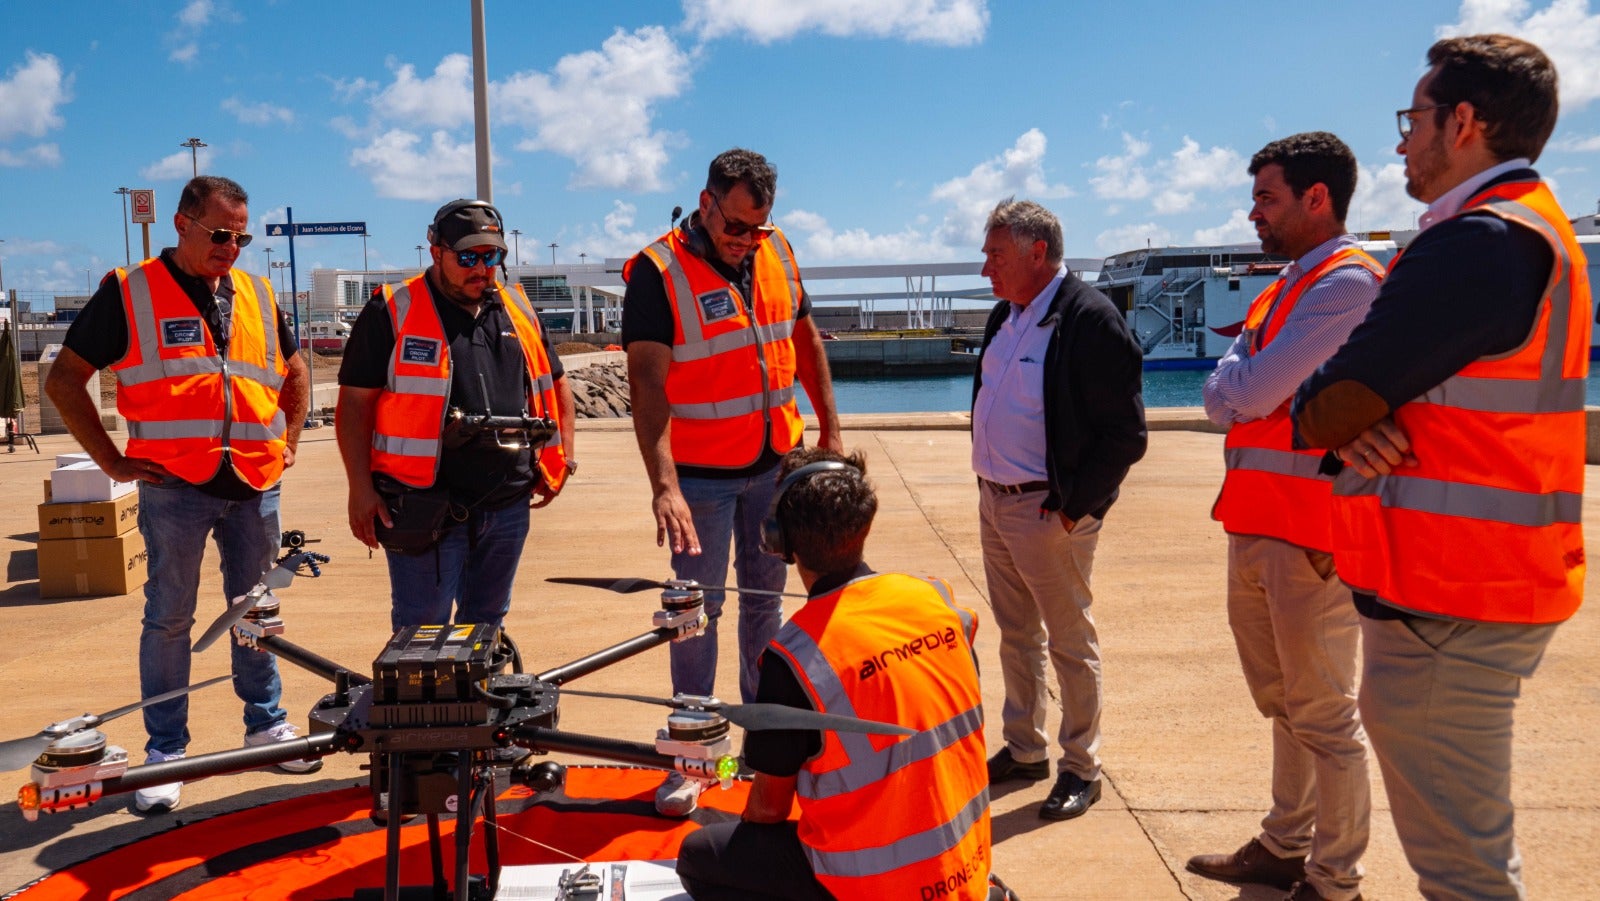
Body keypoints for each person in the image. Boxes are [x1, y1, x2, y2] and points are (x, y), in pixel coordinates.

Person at [1292, 34, 1589, 900]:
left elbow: (1329, 397)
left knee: (1463, 874)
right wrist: (1358, 412)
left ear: (1464, 122)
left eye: (1412, 119)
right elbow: (1364, 396)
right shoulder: (1532, 229)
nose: (1400, 142)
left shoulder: (1478, 242)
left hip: (1452, 594)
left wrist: (1350, 415)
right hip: (1484, 582)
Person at [44, 175, 318, 814]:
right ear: (182, 224)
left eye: (242, 236)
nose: (233, 247)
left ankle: (266, 724)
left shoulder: (255, 291)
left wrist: (291, 442)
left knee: (256, 612)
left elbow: (295, 368)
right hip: (177, 489)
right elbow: (63, 380)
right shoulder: (130, 291)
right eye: (221, 234)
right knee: (169, 618)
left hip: (255, 484)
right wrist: (111, 458)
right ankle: (166, 751)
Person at [1188, 133, 1381, 901]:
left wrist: (1236, 379)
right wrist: (1237, 379)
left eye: (1267, 197)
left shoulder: (1350, 284)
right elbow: (1227, 390)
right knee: (1285, 703)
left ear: (1317, 198)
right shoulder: (1287, 287)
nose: (1253, 212)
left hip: (1311, 535)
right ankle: (1284, 843)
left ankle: (1336, 880)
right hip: (1261, 524)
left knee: (1324, 715)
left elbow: (1250, 391)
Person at [622, 148, 841, 816]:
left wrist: (829, 428)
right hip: (701, 479)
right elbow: (646, 383)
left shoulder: (775, 253)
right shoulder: (659, 272)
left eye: (759, 227)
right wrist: (665, 483)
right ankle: (693, 755)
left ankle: (763, 751)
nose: (747, 240)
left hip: (774, 464)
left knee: (764, 608)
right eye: (737, 226)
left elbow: (804, 341)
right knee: (694, 615)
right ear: (706, 201)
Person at [674, 447, 993, 900]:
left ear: (780, 541)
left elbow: (768, 810)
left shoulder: (796, 658)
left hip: (874, 886)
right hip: (966, 866)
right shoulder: (937, 600)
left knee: (699, 855)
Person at [971, 198, 1146, 822]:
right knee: (1017, 634)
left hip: (1050, 511)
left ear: (1035, 252)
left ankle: (1081, 766)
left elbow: (1126, 436)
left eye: (995, 254)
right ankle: (1024, 749)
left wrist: (1073, 510)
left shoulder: (1090, 320)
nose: (985, 266)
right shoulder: (1006, 315)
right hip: (996, 503)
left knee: (1070, 641)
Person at [337, 199, 574, 633]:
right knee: (421, 629)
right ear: (436, 252)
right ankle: (423, 705)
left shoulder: (516, 309)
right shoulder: (392, 309)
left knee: (486, 625)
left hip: (506, 502)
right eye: (467, 257)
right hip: (421, 503)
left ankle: (476, 703)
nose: (480, 268)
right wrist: (359, 487)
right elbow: (354, 405)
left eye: (492, 256)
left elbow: (556, 384)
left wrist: (562, 460)